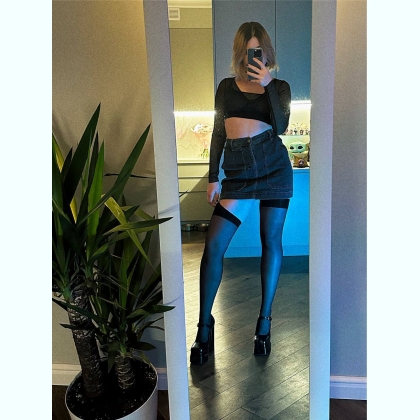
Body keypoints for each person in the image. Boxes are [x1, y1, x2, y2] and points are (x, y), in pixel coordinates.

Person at [190, 22, 292, 365]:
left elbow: (281, 127)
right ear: (239, 53)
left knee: (270, 241)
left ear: (266, 52)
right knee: (213, 245)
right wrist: (213, 177)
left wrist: (267, 85)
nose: (253, 58)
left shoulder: (279, 86)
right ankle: (204, 325)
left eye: (258, 51)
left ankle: (264, 323)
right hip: (237, 175)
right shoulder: (225, 87)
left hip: (273, 167)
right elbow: (219, 132)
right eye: (248, 52)